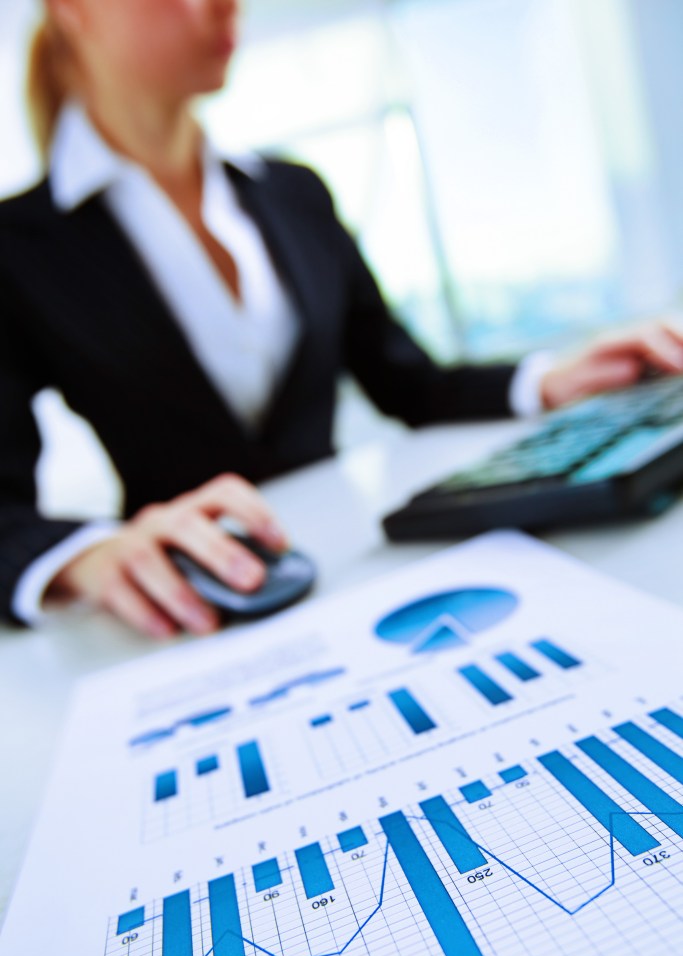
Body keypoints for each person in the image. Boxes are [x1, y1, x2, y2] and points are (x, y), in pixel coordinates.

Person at [1, 0, 683, 639]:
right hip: (189, 613)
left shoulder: (293, 193)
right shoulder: (17, 248)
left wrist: (550, 378)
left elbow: (406, 381)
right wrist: (87, 557)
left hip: (362, 569)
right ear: (71, 9)